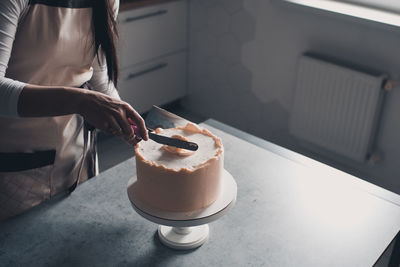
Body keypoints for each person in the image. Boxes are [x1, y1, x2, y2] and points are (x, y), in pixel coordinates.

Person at [0, 0, 149, 220]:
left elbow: (97, 73)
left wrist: (122, 114)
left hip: (78, 154)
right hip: (16, 161)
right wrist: (81, 101)